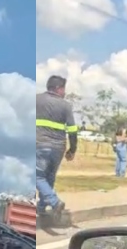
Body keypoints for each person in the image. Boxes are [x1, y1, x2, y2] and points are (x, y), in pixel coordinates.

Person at [36, 75, 78, 218]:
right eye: (64, 88)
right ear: (58, 88)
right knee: (49, 177)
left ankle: (54, 202)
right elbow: (72, 130)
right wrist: (72, 149)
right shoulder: (66, 106)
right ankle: (41, 207)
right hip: (58, 147)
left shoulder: (36, 100)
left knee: (37, 176)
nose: (65, 92)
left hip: (40, 144)